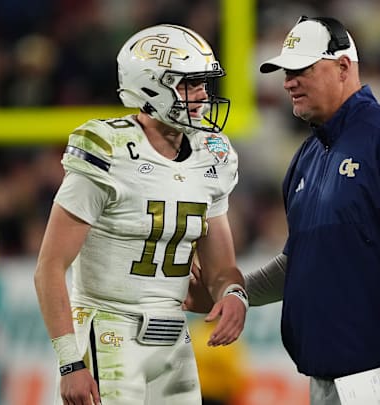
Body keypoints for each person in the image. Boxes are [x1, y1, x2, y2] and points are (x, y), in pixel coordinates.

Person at [187, 16, 380, 405]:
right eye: (286, 72)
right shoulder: (307, 157)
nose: (288, 82)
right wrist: (232, 294)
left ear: (344, 67)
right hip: (327, 372)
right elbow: (298, 263)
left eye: (302, 69)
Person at [34, 24, 249, 405]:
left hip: (174, 338)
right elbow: (50, 265)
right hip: (109, 330)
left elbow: (220, 268)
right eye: (190, 84)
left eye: (203, 84)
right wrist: (70, 362)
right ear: (150, 85)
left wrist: (233, 294)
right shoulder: (109, 149)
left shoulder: (211, 155)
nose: (201, 96)